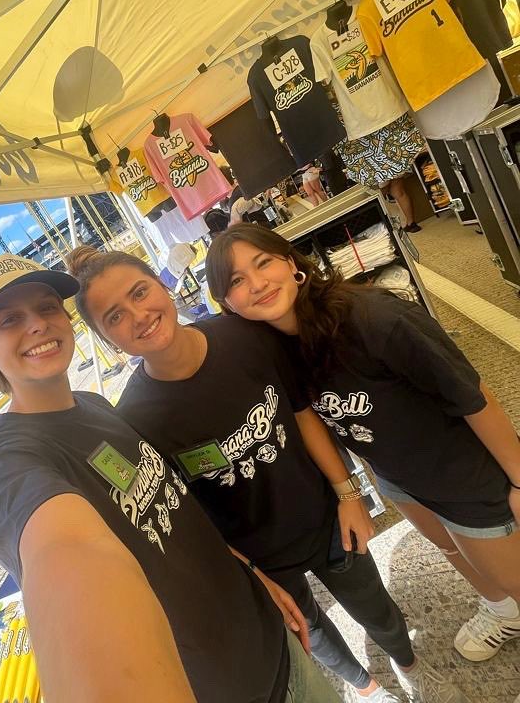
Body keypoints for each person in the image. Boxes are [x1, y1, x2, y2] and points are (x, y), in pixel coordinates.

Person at [67, 245, 466, 703]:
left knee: (376, 608)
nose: (138, 315)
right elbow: (186, 515)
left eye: (140, 292)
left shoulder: (242, 335)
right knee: (310, 630)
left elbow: (299, 411)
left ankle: (411, 665)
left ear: (163, 285)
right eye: (114, 317)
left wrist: (348, 493)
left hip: (325, 520)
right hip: (263, 558)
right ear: (104, 339)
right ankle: (369, 689)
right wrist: (253, 575)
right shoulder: (136, 419)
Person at [0, 252, 342, 703]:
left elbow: (177, 517)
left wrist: (252, 574)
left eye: (46, 308)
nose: (38, 325)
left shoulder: (96, 407)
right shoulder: (5, 463)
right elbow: (68, 558)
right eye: (9, 320)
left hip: (271, 641)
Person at [205, 222, 520, 668]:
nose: (256, 284)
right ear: (227, 303)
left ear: (291, 262)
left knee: (511, 573)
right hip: (399, 480)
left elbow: (471, 393)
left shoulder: (373, 318)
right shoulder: (278, 350)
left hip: (464, 475)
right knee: (452, 549)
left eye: (263, 263)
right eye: (236, 281)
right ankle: (504, 613)